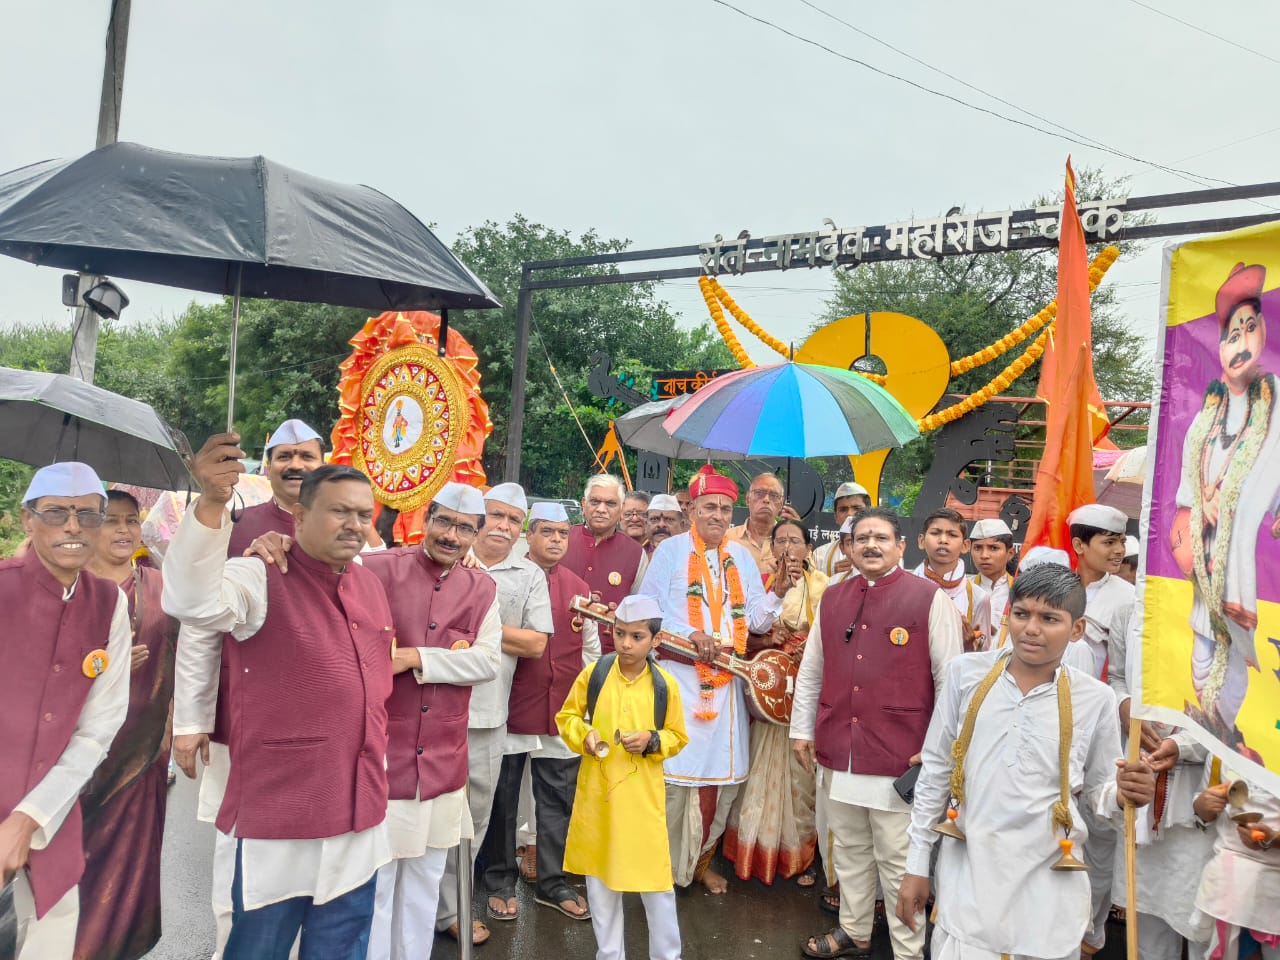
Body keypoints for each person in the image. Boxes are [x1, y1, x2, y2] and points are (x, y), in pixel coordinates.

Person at [161, 444, 395, 959]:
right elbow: (191, 603)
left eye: (363, 513)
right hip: (283, 816)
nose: (354, 524)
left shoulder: (370, 583)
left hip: (359, 812)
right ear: (301, 515)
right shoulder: (261, 573)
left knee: (343, 946)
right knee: (258, 947)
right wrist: (210, 505)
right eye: (339, 511)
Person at [896, 564, 1156, 960]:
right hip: (969, 885)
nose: (1031, 628)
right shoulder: (966, 674)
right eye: (1022, 614)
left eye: (1049, 618)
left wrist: (1123, 796)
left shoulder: (1096, 699)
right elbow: (934, 772)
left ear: (1077, 629)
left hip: (1048, 895)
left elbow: (1101, 797)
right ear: (1009, 615)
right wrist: (916, 865)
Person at [171, 417, 324, 958]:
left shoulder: (349, 528)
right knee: (237, 847)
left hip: (318, 727)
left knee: (311, 856)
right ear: (267, 465)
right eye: (284, 456)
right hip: (244, 717)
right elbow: (199, 628)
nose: (296, 466)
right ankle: (226, 948)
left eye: (306, 456)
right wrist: (191, 720)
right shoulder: (235, 527)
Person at [791, 507, 963, 960]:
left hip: (898, 755)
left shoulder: (929, 599)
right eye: (861, 537)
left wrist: (938, 749)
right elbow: (811, 671)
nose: (871, 545)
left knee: (899, 860)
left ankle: (908, 950)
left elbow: (951, 681)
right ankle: (855, 931)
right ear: (848, 546)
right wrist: (801, 731)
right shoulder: (832, 597)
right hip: (838, 748)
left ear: (901, 546)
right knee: (847, 852)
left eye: (881, 538)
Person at [359, 483, 502, 959]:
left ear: (476, 535)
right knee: (375, 885)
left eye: (465, 528)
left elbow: (487, 663)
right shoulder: (378, 569)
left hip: (442, 761)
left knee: (423, 883)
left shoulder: (482, 589)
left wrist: (416, 657)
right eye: (444, 521)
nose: (451, 535)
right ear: (427, 517)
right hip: (381, 755)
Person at [640, 465, 793, 894]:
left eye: (726, 508)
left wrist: (778, 590)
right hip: (680, 680)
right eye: (710, 507)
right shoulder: (669, 552)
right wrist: (692, 633)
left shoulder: (741, 557)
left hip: (726, 687)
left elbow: (756, 618)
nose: (719, 515)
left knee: (722, 782)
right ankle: (663, 868)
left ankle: (699, 863)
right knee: (673, 783)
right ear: (692, 508)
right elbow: (648, 608)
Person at [2, 463, 131, 960]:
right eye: (56, 513)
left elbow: (100, 729)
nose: (74, 527)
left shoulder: (109, 604)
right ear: (27, 520)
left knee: (49, 943)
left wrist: (26, 820)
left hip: (52, 828)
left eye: (88, 514)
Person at [1173, 262, 1280, 752]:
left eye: (1249, 327)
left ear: (1262, 338)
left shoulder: (1274, 405)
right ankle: (1206, 737)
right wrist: (1203, 505)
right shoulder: (1204, 416)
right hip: (1202, 558)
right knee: (1200, 643)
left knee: (1234, 655)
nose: (1238, 341)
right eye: (1229, 333)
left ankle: (1226, 740)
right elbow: (1185, 490)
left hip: (1247, 563)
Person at [483, 502, 601, 924]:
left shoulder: (578, 588)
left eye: (563, 533)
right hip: (514, 707)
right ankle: (499, 880)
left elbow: (591, 653)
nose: (555, 540)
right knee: (504, 798)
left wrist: (585, 708)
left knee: (556, 801)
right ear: (527, 536)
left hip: (562, 711)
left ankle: (553, 882)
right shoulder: (507, 579)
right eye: (547, 532)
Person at [557, 595, 689, 960]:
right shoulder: (595, 674)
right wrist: (583, 736)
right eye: (619, 634)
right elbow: (566, 717)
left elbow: (678, 736)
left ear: (655, 641)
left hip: (643, 802)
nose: (626, 644)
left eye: (636, 637)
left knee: (656, 887)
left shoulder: (664, 684)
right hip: (598, 798)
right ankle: (609, 954)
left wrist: (651, 740)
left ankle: (666, 955)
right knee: (600, 884)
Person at [75, 490, 177, 960]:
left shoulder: (159, 583)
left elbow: (186, 656)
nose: (121, 530)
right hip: (76, 749)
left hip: (143, 744)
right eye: (109, 520)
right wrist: (103, 664)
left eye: (130, 521)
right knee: (73, 860)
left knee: (129, 865)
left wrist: (177, 727)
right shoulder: (69, 585)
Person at [449, 483, 553, 928]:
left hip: (489, 715)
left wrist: (482, 627)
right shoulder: (446, 554)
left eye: (514, 520)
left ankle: (451, 909)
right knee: (422, 812)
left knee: (474, 817)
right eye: (496, 515)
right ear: (478, 516)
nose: (504, 526)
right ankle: (416, 903)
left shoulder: (529, 575)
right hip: (431, 710)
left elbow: (535, 643)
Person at [724, 518, 828, 887]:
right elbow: (740, 635)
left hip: (802, 692)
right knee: (756, 770)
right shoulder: (759, 586)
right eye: (780, 540)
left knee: (800, 778)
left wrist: (801, 650)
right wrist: (766, 645)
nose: (787, 547)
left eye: (795, 541)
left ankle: (800, 856)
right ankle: (750, 852)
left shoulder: (824, 589)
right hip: (765, 689)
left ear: (809, 549)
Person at [1106, 616, 1213, 960]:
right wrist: (1124, 706)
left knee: (1203, 922)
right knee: (1147, 914)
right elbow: (1118, 676)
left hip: (1201, 793)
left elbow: (1235, 711)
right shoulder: (1130, 610)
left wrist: (1184, 745)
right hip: (1141, 768)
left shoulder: (1222, 615)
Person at [1190, 770, 1280, 960]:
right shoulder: (1227, 747)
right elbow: (1201, 807)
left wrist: (1273, 840)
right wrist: (1203, 805)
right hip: (1229, 885)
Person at [564, 475, 645, 654]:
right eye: (594, 502)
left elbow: (639, 611)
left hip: (608, 655)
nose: (601, 509)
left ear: (622, 509)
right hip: (557, 650)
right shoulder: (561, 538)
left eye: (610, 503)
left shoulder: (636, 553)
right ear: (584, 504)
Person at [1066, 503, 1134, 681]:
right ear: (1079, 545)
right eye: (1109, 542)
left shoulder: (1130, 597)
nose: (1119, 550)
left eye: (1122, 542)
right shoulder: (1057, 590)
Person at [912, 507, 991, 651]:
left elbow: (983, 653)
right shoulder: (904, 589)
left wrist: (968, 645)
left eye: (952, 535)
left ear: (965, 545)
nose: (943, 540)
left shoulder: (978, 597)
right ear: (921, 541)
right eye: (935, 533)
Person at [727, 472, 798, 577]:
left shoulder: (793, 542)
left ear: (781, 504)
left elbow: (810, 575)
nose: (766, 500)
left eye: (774, 496)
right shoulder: (727, 538)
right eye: (760, 493)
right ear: (747, 499)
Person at [811, 482, 872, 578]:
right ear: (836, 517)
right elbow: (812, 590)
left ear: (869, 513)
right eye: (843, 509)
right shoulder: (820, 555)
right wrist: (833, 576)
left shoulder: (883, 550)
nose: (850, 514)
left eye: (857, 508)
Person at [968, 517, 1014, 644]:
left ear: (1010, 553)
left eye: (993, 548)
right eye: (977, 548)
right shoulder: (963, 588)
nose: (984, 555)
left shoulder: (1022, 592)